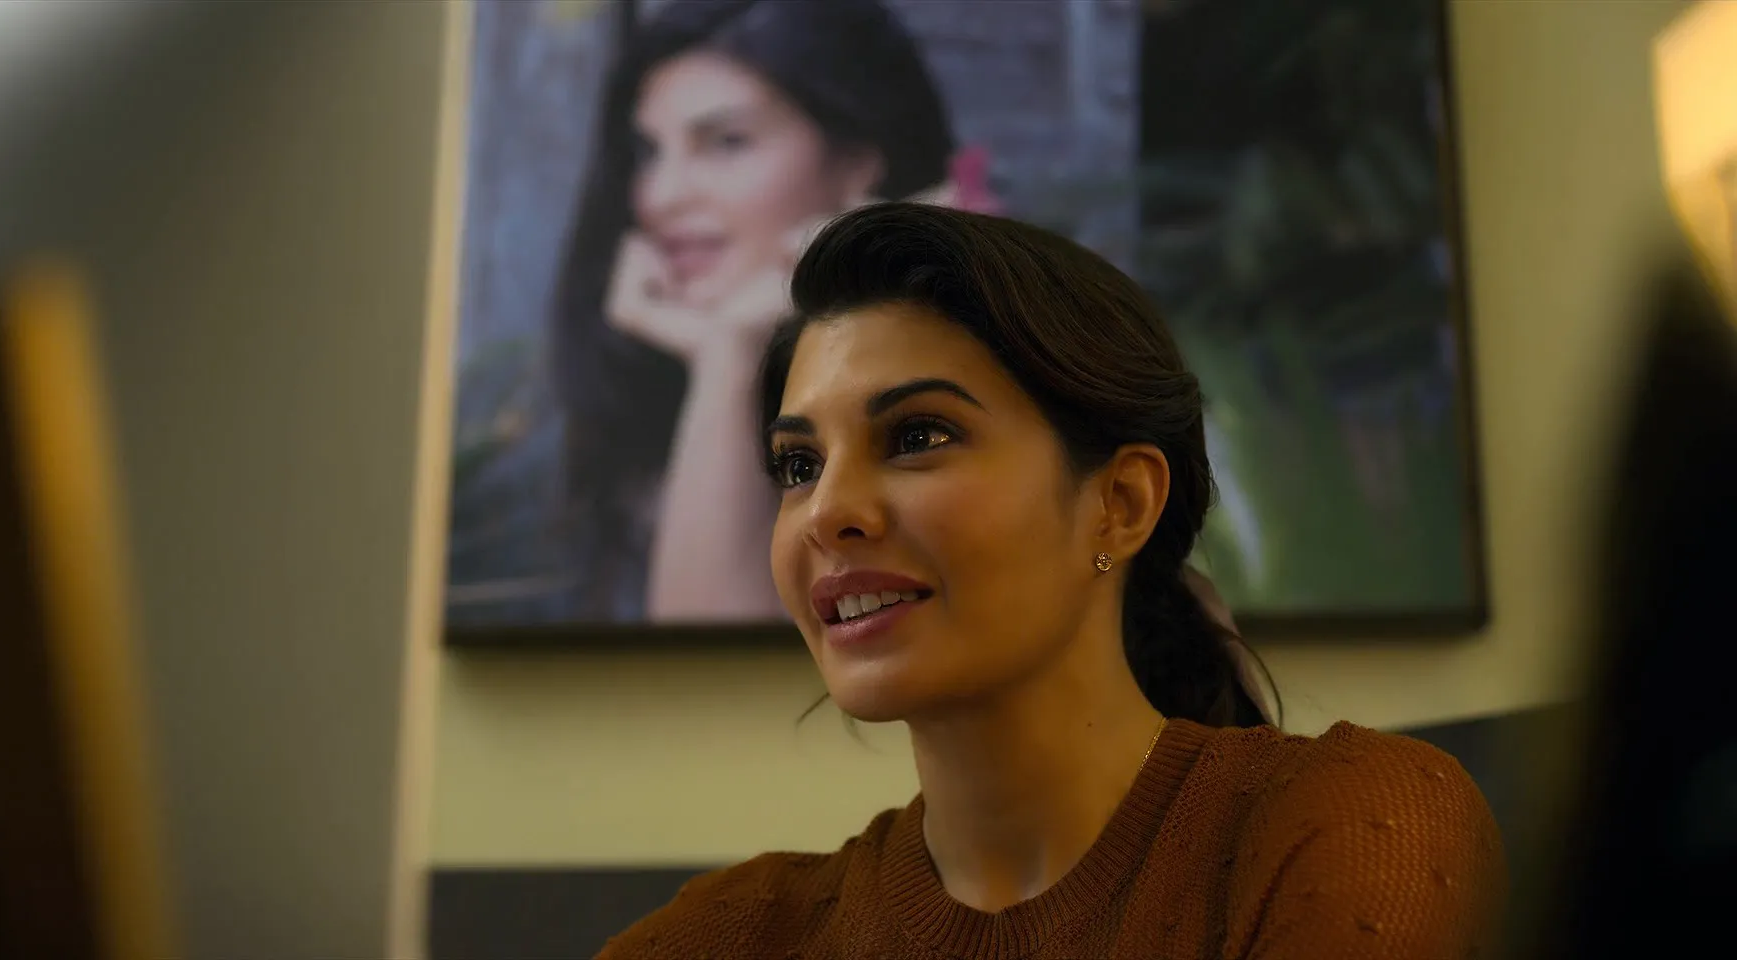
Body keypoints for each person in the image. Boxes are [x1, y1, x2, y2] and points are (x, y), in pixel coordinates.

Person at [597, 203, 1504, 958]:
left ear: (1120, 504)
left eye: (916, 437)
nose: (827, 511)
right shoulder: (734, 935)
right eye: (798, 466)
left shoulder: (1350, 822)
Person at [550, 0, 966, 622]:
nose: (661, 196)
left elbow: (709, 660)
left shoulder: (949, 399)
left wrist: (729, 353)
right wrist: (725, 349)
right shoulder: (640, 392)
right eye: (648, 153)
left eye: (726, 143)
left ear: (857, 164)